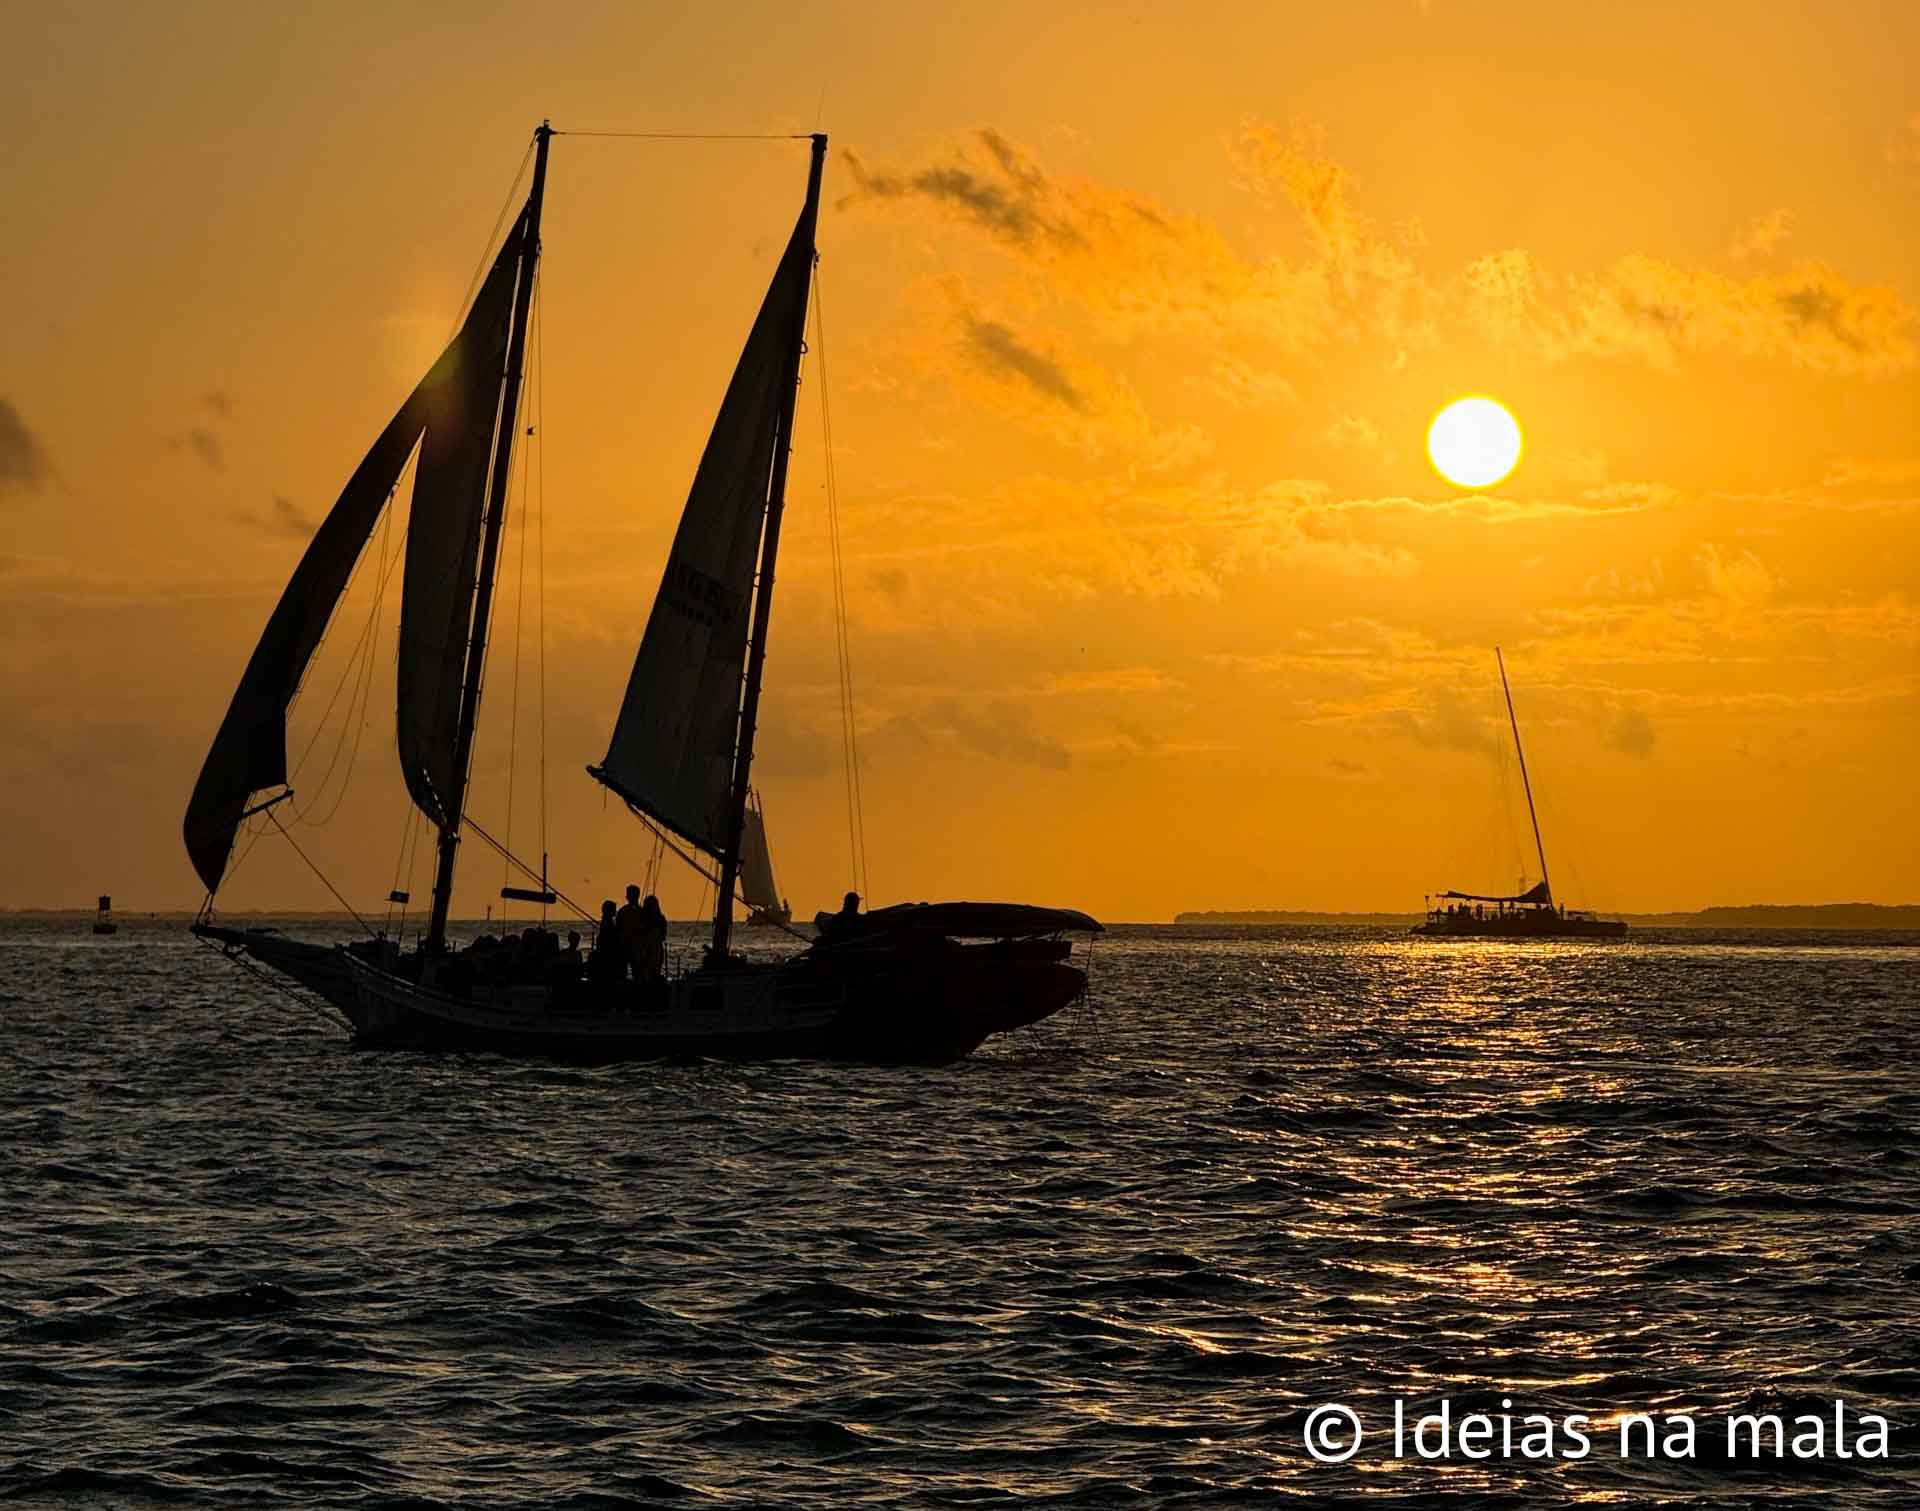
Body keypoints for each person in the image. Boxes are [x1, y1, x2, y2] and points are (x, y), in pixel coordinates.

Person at [616, 884, 646, 980]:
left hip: (635, 948)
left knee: (636, 972)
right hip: (626, 947)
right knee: (625, 972)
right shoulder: (623, 911)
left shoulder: (640, 912)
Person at [590, 900, 622, 986]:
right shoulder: (608, 924)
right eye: (614, 909)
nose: (616, 911)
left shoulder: (605, 922)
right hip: (608, 957)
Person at [637, 895, 667, 980]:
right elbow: (663, 936)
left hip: (650, 948)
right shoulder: (660, 918)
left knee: (648, 972)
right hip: (650, 948)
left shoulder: (642, 918)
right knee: (653, 971)